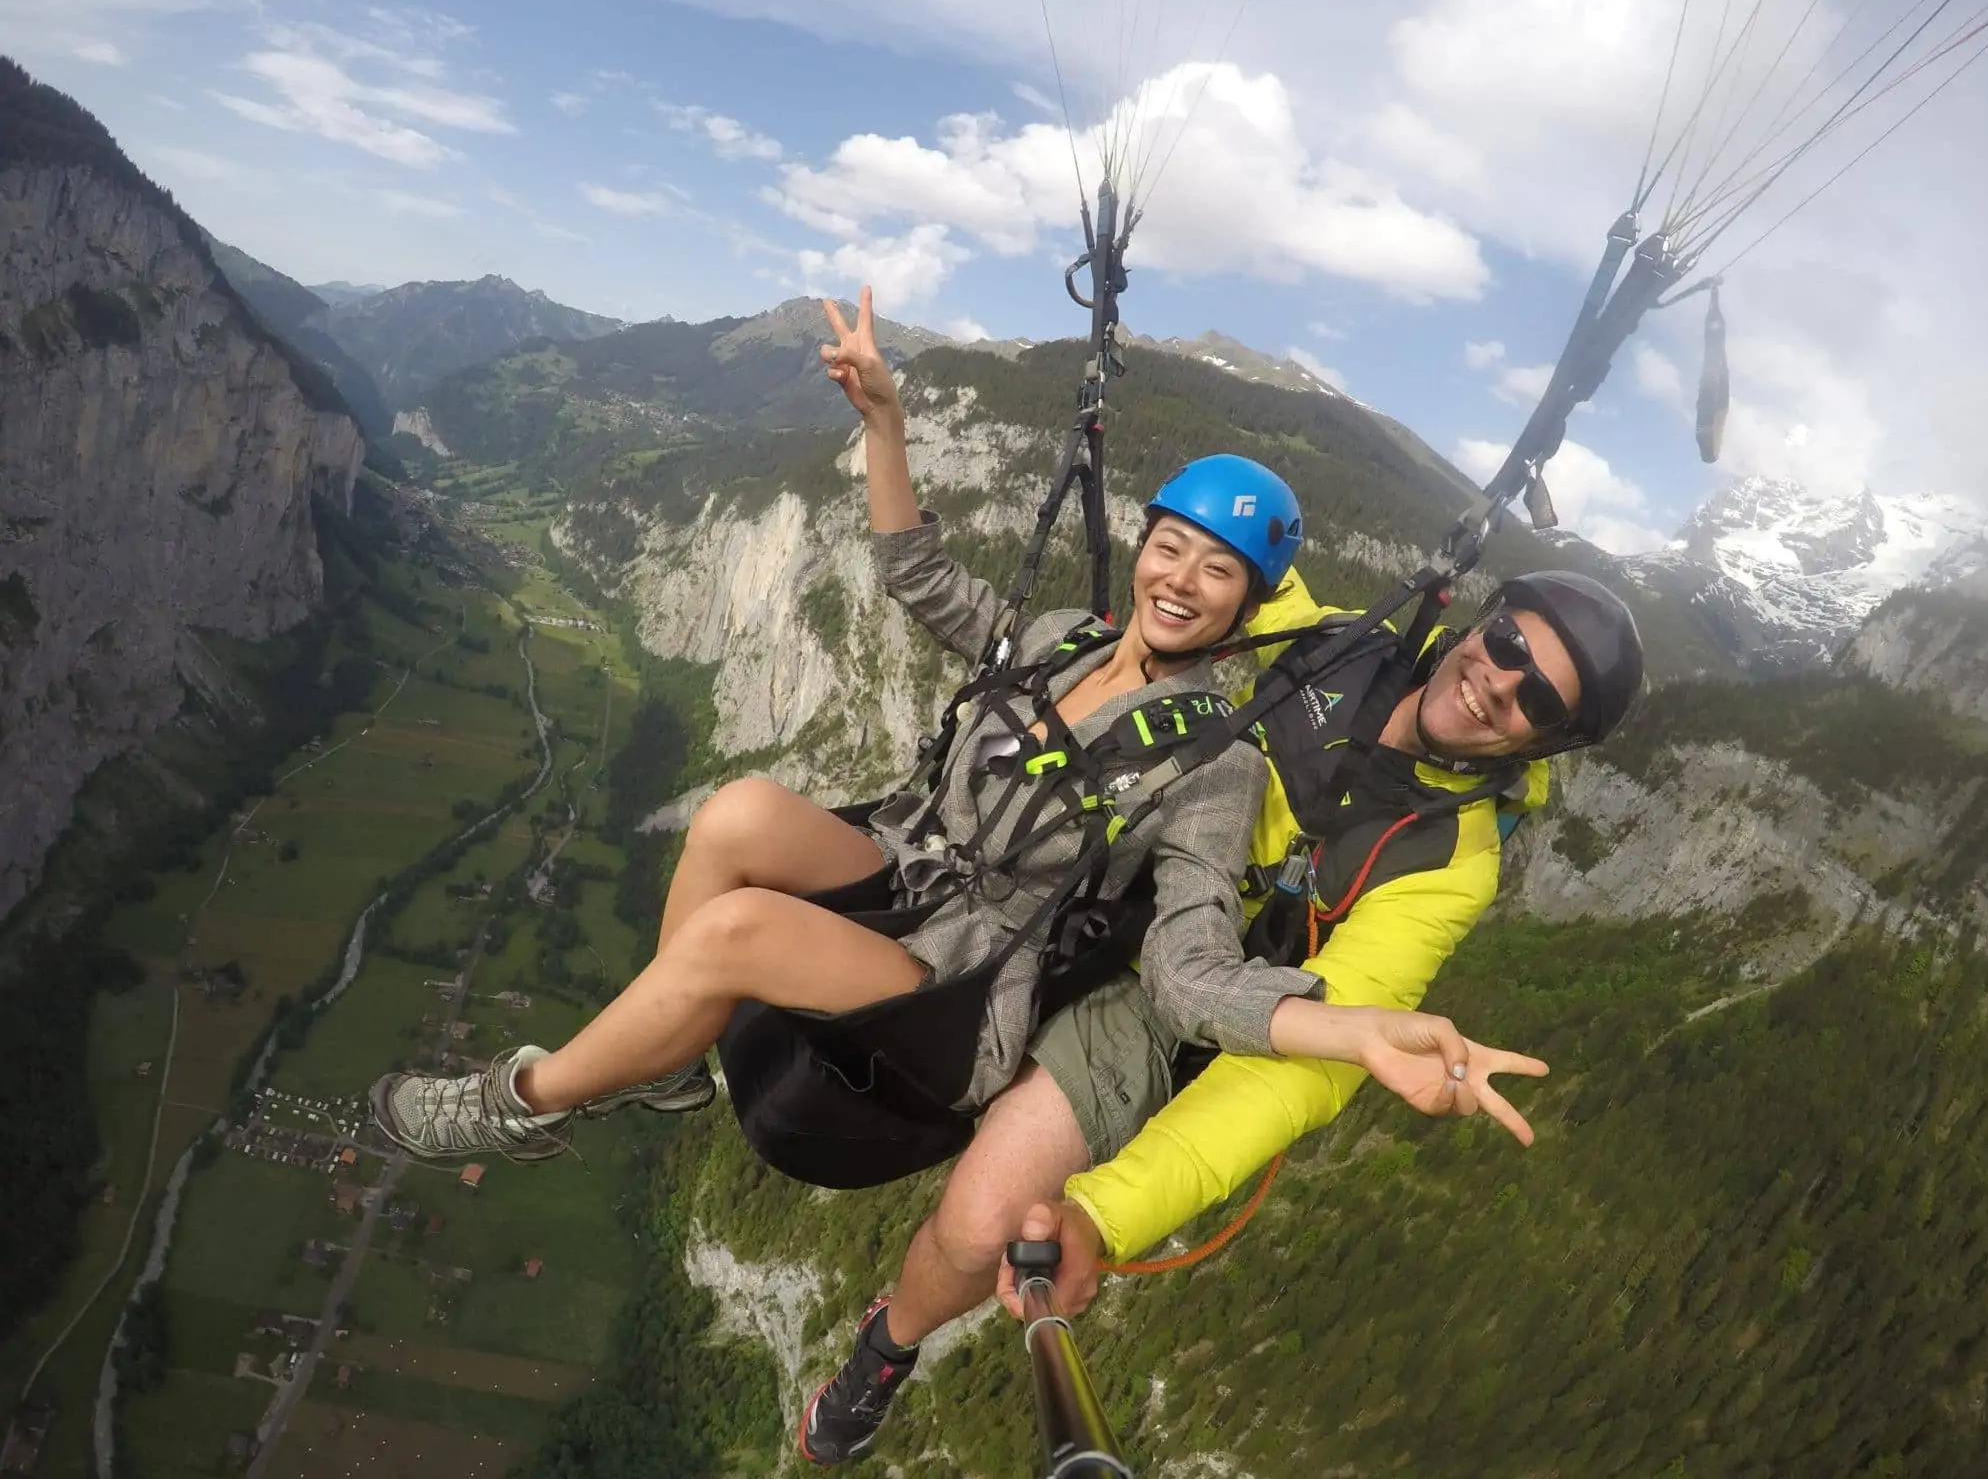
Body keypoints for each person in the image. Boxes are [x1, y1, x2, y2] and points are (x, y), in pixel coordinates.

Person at [364, 289, 1522, 1197]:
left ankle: (526, 1102)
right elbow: (922, 581)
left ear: (1245, 603)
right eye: (1171, 547)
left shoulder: (1211, 764)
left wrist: (1345, 1027)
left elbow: (1187, 970)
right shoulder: (1068, 639)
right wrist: (884, 421)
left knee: (736, 930)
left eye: (1219, 570)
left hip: (959, 984)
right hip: (907, 874)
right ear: (1143, 550)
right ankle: (666, 1064)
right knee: (737, 815)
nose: (1181, 580)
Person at [797, 566, 1641, 1466]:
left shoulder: (1449, 860)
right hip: (1096, 854)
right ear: (1484, 621)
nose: (1497, 681)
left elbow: (1295, 1080)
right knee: (789, 907)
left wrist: (1100, 1217)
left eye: (1537, 697)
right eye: (1507, 643)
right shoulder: (1335, 639)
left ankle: (885, 1350)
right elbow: (1211, 564)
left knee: (978, 1224)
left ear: (1547, 742)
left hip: (1177, 991)